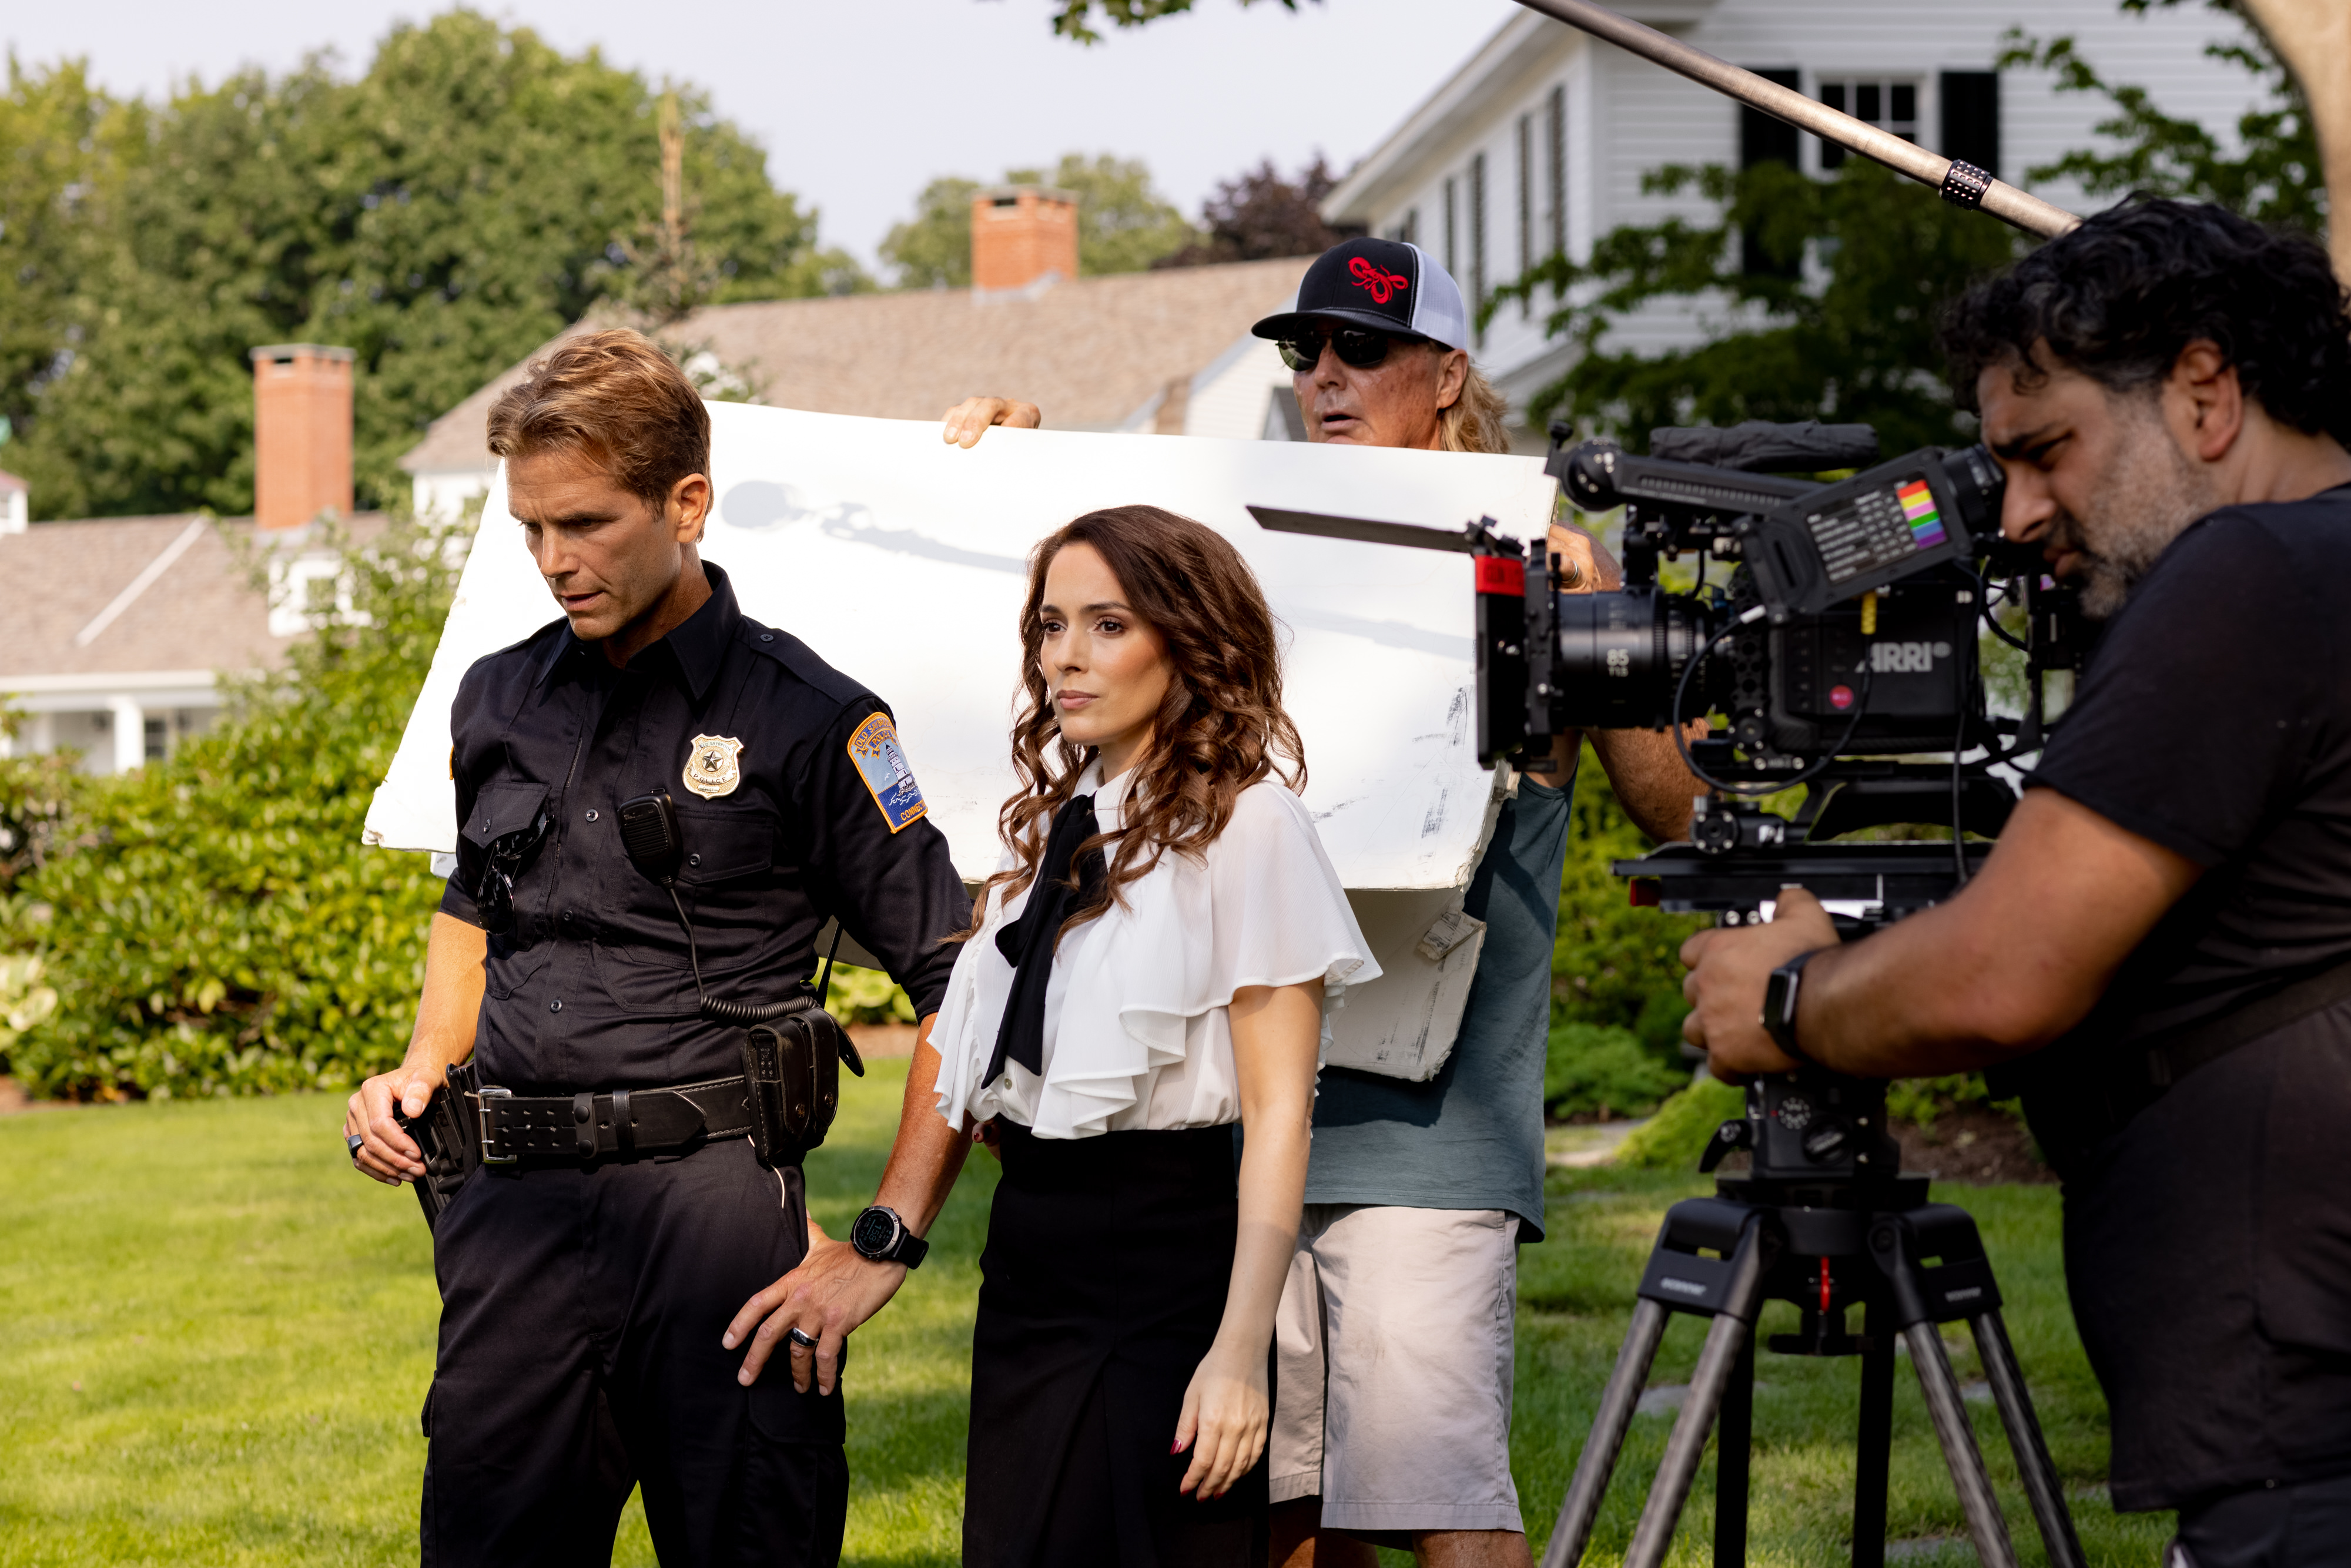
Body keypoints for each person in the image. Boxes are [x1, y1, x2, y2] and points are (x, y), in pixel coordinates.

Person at [935, 237, 1703, 1568]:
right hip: (1230, 1132)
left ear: (1446, 373)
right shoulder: (1241, 557)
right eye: (1305, 353)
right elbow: (1096, 616)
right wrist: (1030, 475)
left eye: (1363, 348)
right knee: (1270, 1500)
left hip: (1425, 1122)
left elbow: (1678, 813)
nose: (1325, 376)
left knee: (1433, 1492)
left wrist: (1596, 611)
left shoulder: (1529, 561)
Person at [1677, 197, 2351, 1568]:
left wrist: (1791, 998)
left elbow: (2004, 974)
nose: (2021, 516)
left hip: (2308, 1443)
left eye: (2045, 453)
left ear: (2204, 393)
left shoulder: (2246, 575)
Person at [341, 328, 970, 1568]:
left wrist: (888, 1237)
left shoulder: (815, 719)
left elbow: (965, 976)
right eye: (529, 529)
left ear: (686, 503)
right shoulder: (494, 697)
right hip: (508, 1219)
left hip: (719, 1229)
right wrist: (419, 1062)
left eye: (584, 523)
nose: (554, 561)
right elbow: (477, 903)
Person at [737, 505, 1378, 1565]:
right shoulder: (1060, 820)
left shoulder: (1251, 824)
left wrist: (1238, 1353)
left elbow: (1279, 1123)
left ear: (1190, 637)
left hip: (1167, 1256)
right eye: (1049, 626)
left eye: (1108, 625)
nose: (1066, 658)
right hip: (1032, 1257)